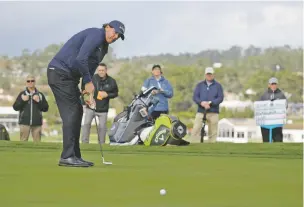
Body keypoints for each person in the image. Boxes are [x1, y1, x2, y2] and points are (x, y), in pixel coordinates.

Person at [47, 20, 125, 167]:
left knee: (77, 111)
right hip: (59, 73)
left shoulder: (104, 48)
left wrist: (87, 93)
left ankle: (74, 155)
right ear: (107, 27)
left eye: (119, 36)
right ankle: (67, 156)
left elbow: (88, 68)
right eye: (115, 32)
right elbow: (81, 58)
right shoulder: (96, 34)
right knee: (71, 113)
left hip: (69, 77)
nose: (115, 37)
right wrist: (89, 82)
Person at [81, 63, 118, 144]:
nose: (101, 72)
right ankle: (84, 143)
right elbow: (84, 91)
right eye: (99, 70)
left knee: (102, 128)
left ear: (106, 70)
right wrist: (86, 100)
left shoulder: (112, 81)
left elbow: (115, 93)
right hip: (90, 107)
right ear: (97, 70)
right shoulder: (92, 79)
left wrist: (107, 95)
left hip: (103, 109)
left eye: (103, 70)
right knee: (86, 124)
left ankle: (101, 144)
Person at [191, 67, 224, 143]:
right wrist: (201, 103)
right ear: (205, 75)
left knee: (213, 132)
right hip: (201, 111)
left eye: (210, 74)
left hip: (213, 112)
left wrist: (211, 103)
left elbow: (220, 98)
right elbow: (195, 97)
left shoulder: (218, 86)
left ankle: (211, 147)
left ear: (213, 75)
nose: (209, 75)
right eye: (208, 74)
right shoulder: (199, 85)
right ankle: (193, 145)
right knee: (196, 129)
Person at [13, 75, 49, 142]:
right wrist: (22, 101)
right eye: (28, 81)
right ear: (26, 83)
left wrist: (39, 101)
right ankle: (22, 153)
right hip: (24, 123)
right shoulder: (22, 94)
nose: (30, 82)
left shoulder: (40, 94)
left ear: (35, 82)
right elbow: (15, 107)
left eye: (32, 81)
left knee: (37, 144)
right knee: (23, 143)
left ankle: (38, 153)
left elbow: (46, 108)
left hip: (37, 124)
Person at [259, 77, 287, 142]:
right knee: (266, 140)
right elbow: (259, 106)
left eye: (275, 84)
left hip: (277, 122)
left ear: (277, 85)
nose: (273, 86)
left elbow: (286, 105)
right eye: (272, 84)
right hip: (266, 123)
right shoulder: (264, 95)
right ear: (269, 85)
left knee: (278, 140)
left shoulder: (281, 95)